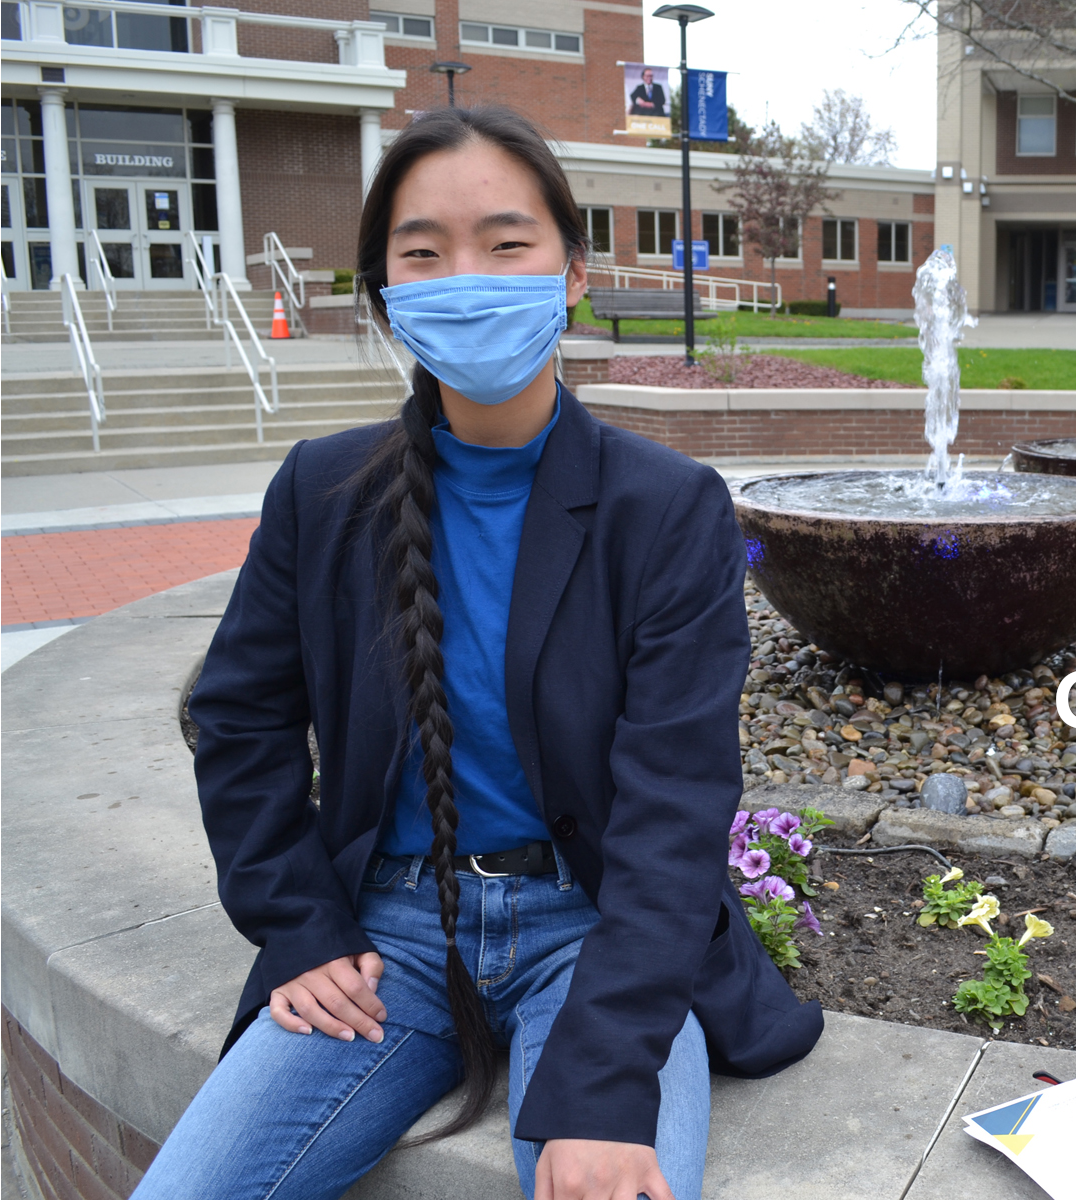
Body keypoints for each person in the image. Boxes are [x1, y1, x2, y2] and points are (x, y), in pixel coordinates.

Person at [132, 104, 820, 1200]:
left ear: (573, 272)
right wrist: (299, 927)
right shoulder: (322, 491)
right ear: (388, 293)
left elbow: (675, 802)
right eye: (424, 252)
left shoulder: (668, 509)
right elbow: (240, 717)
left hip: (593, 936)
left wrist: (603, 1093)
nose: (467, 277)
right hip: (385, 937)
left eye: (507, 244)